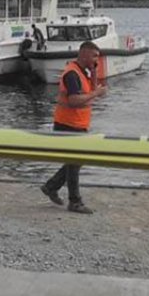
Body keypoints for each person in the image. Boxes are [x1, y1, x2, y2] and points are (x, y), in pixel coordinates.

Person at [41, 41, 108, 214]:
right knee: (75, 161)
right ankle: (75, 201)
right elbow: (74, 100)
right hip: (68, 123)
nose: (96, 60)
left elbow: (88, 92)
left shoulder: (82, 72)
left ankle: (51, 186)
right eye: (94, 56)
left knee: (76, 161)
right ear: (84, 54)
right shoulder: (72, 74)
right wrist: (96, 93)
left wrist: (93, 73)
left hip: (78, 123)